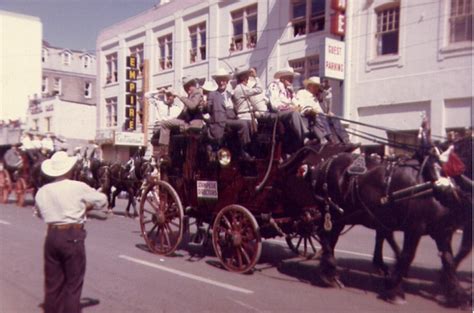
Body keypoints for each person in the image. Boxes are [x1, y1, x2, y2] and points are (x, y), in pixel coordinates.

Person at [34, 151, 107, 313]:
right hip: (72, 236)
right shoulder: (78, 187)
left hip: (52, 236)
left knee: (53, 285)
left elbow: (39, 213)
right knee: (73, 285)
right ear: (69, 169)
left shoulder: (43, 191)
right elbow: (102, 200)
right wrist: (85, 207)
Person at [207, 68, 254, 161]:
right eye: (219, 80)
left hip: (233, 118)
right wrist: (205, 105)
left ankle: (251, 148)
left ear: (227, 81)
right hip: (222, 121)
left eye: (223, 80)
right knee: (243, 124)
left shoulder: (230, 94)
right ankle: (244, 150)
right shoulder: (213, 94)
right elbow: (208, 109)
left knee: (249, 122)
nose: (221, 83)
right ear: (216, 81)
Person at [267, 66, 307, 152]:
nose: (292, 80)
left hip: (287, 112)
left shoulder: (289, 90)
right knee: (294, 113)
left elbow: (296, 102)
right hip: (276, 113)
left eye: (292, 77)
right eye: (289, 77)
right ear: (282, 78)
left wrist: (302, 108)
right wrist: (291, 108)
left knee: (305, 115)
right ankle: (304, 137)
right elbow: (274, 105)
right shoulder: (274, 86)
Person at [293, 76, 332, 144]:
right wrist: (308, 110)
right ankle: (327, 137)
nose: (317, 88)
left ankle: (345, 140)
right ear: (309, 86)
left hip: (318, 116)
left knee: (334, 118)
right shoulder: (302, 92)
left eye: (317, 86)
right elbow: (299, 104)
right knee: (317, 116)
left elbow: (320, 111)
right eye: (315, 86)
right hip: (306, 116)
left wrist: (328, 113)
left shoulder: (315, 98)